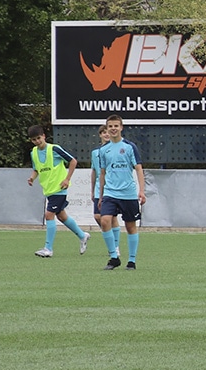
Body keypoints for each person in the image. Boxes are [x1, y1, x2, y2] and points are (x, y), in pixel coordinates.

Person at [26, 125, 89, 257]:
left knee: (49, 215)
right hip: (49, 190)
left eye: (39, 138)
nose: (37, 141)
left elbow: (72, 161)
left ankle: (48, 248)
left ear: (44, 136)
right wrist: (32, 178)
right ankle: (82, 235)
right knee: (61, 216)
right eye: (34, 140)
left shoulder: (54, 148)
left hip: (59, 188)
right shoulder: (33, 153)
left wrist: (67, 179)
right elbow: (37, 169)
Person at [95, 114, 146, 270]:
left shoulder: (130, 147)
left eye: (116, 126)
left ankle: (131, 261)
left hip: (128, 193)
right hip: (110, 192)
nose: (113, 129)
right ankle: (113, 257)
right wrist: (101, 194)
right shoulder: (103, 150)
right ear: (107, 128)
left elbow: (138, 168)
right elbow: (102, 173)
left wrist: (142, 191)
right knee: (104, 221)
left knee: (130, 226)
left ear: (121, 127)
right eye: (110, 126)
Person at [91, 122, 120, 252]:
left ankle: (115, 245)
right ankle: (110, 238)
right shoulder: (95, 152)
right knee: (98, 216)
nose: (106, 134)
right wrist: (92, 190)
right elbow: (94, 171)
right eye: (103, 132)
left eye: (107, 132)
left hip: (111, 187)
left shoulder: (116, 149)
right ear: (100, 135)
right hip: (99, 188)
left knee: (111, 217)